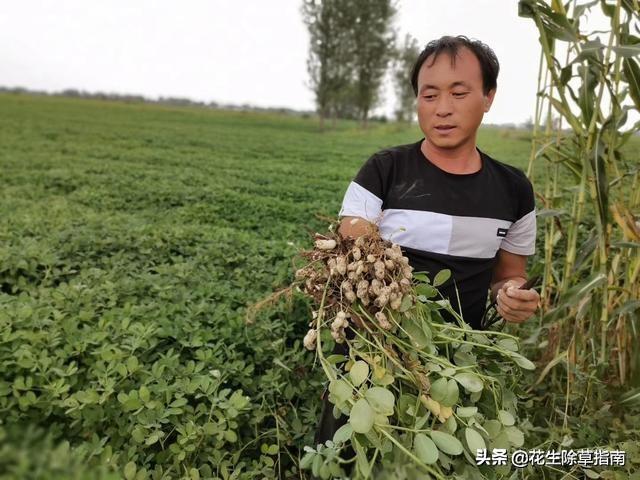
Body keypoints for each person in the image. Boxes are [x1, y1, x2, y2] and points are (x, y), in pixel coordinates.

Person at [314, 35, 540, 450]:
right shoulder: (385, 170)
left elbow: (510, 275)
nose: (442, 108)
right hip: (375, 352)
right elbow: (353, 242)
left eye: (459, 92)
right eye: (429, 94)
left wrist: (511, 295)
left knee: (434, 454)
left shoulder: (513, 190)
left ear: (488, 97)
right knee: (347, 450)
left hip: (456, 362)